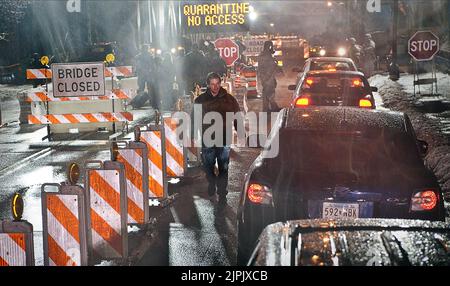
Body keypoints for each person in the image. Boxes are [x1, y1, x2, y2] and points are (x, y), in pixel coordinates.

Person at [192, 72, 241, 205]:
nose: (215, 87)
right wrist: (191, 135)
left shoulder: (229, 99)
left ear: (220, 83)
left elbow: (237, 115)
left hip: (224, 137)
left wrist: (239, 130)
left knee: (224, 166)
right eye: (212, 84)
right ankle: (211, 181)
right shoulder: (200, 100)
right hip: (207, 138)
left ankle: (222, 191)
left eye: (217, 84)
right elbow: (194, 119)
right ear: (208, 85)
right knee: (208, 165)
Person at [257, 41, 282, 112]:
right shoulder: (265, 55)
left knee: (266, 92)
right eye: (271, 46)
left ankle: (266, 108)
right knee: (270, 92)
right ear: (269, 47)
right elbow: (269, 66)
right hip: (267, 77)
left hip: (266, 76)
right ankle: (273, 107)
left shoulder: (265, 54)